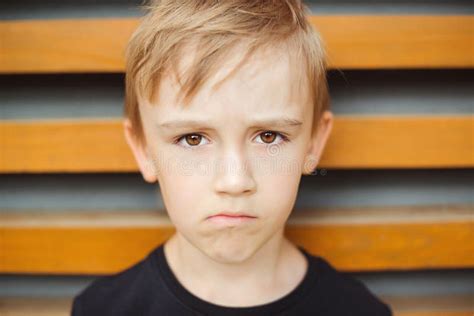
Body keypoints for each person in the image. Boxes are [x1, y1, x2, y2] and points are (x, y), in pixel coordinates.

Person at [71, 0, 392, 315]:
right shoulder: (101, 309)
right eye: (192, 139)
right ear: (144, 150)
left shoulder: (358, 310)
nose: (235, 181)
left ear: (313, 144)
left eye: (269, 136)